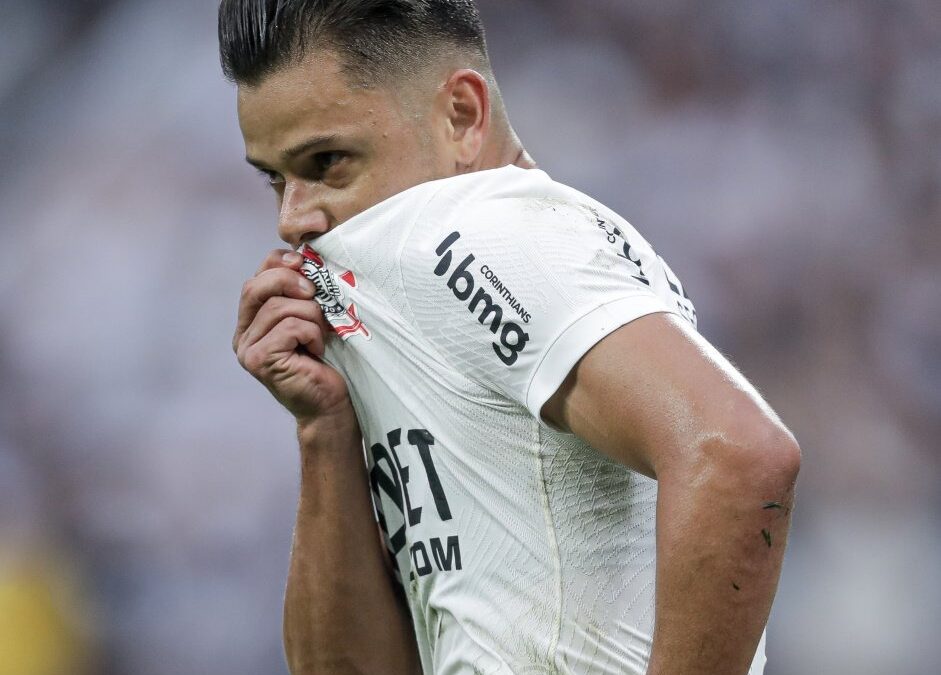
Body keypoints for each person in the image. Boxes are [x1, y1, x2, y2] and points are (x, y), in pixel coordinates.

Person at [220, 1, 800, 673]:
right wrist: (322, 431)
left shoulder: (484, 235)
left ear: (461, 116)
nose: (293, 219)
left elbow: (738, 455)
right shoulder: (421, 302)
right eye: (274, 178)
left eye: (327, 161)